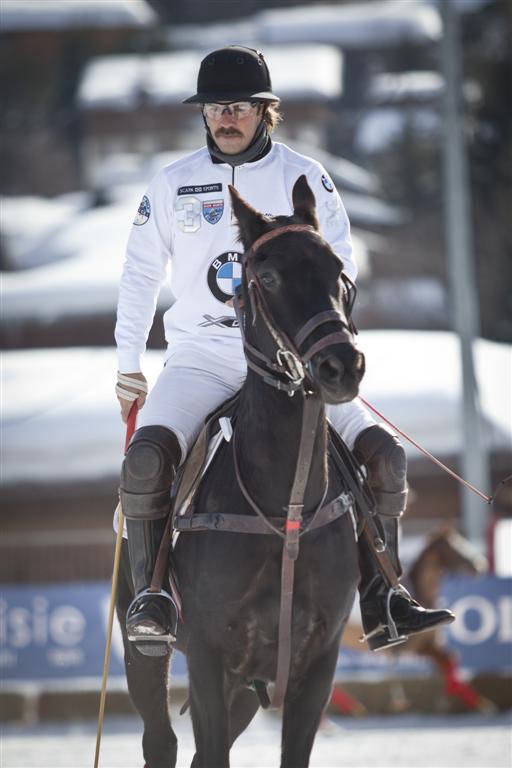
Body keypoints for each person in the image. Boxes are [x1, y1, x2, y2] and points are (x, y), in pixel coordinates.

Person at [115, 45, 454, 655]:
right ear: (204, 114)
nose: (226, 118)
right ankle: (153, 599)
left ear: (265, 112)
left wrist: (319, 344)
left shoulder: (305, 176)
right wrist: (128, 366)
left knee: (385, 457)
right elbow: (140, 274)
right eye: (216, 107)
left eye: (240, 107)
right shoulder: (171, 183)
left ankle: (384, 596)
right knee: (145, 462)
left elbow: (341, 267)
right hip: (201, 359)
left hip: (289, 364)